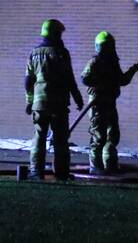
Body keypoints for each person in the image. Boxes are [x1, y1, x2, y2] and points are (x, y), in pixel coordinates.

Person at [25, 18, 83, 180]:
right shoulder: (62, 53)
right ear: (56, 34)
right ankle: (62, 173)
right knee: (60, 139)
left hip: (40, 103)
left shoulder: (34, 53)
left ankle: (36, 172)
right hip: (59, 103)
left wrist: (29, 101)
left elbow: (28, 81)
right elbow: (69, 79)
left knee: (39, 136)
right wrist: (78, 98)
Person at [81, 31, 138, 174]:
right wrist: (101, 83)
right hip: (97, 105)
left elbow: (122, 81)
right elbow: (85, 79)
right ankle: (95, 167)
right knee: (99, 136)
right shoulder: (94, 62)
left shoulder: (113, 63)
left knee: (113, 135)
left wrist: (133, 70)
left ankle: (110, 165)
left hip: (110, 103)